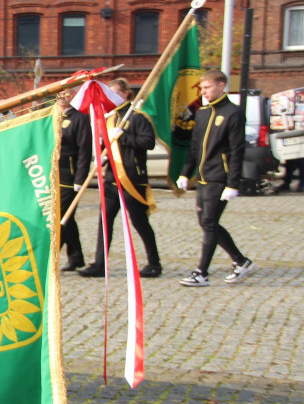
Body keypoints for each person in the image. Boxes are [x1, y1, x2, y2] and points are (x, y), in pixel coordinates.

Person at [177, 69, 257, 287]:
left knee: (210, 223)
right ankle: (241, 261)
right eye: (202, 88)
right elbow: (195, 147)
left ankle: (201, 272)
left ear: (221, 85)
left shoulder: (233, 113)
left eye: (207, 88)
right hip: (203, 178)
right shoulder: (202, 112)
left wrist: (233, 183)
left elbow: (236, 150)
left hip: (219, 178)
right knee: (206, 222)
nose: (204, 92)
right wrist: (186, 172)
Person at [79, 79, 162, 278]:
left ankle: (154, 263)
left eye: (116, 93)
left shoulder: (138, 117)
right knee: (105, 222)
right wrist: (100, 147)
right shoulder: (110, 119)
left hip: (131, 179)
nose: (112, 98)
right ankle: (100, 263)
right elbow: (106, 148)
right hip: (111, 180)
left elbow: (148, 142)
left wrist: (123, 136)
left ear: (126, 93)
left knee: (140, 222)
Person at [53, 88, 93, 272]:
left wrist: (80, 178)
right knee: (68, 219)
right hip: (54, 174)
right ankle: (76, 257)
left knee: (61, 217)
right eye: (61, 94)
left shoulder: (80, 118)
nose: (64, 97)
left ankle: (51, 258)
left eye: (68, 94)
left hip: (70, 176)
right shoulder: (53, 115)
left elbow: (84, 150)